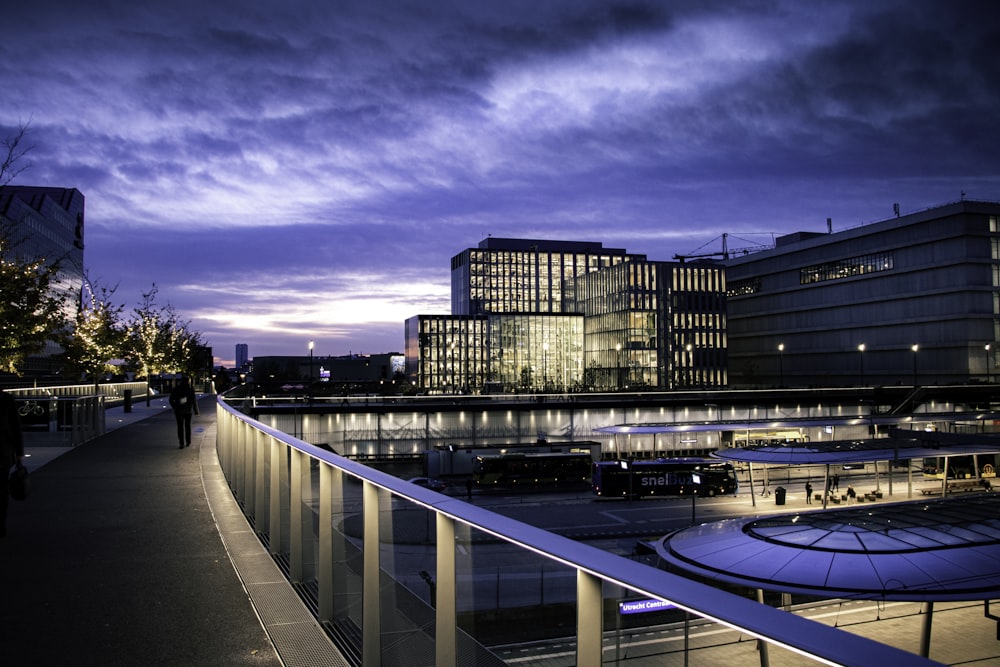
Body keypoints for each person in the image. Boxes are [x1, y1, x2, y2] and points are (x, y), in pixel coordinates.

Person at [0, 389, 25, 537]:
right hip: (3, 453)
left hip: (3, 453)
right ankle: (1, 524)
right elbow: (15, 428)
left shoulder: (6, 399)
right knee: (2, 491)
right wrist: (19, 454)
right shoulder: (6, 399)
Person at [169, 376, 199, 449]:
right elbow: (194, 400)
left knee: (180, 427)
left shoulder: (176, 389)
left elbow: (171, 399)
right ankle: (188, 441)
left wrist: (175, 406)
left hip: (179, 411)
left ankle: (181, 443)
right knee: (187, 426)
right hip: (188, 410)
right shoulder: (190, 389)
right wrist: (196, 411)